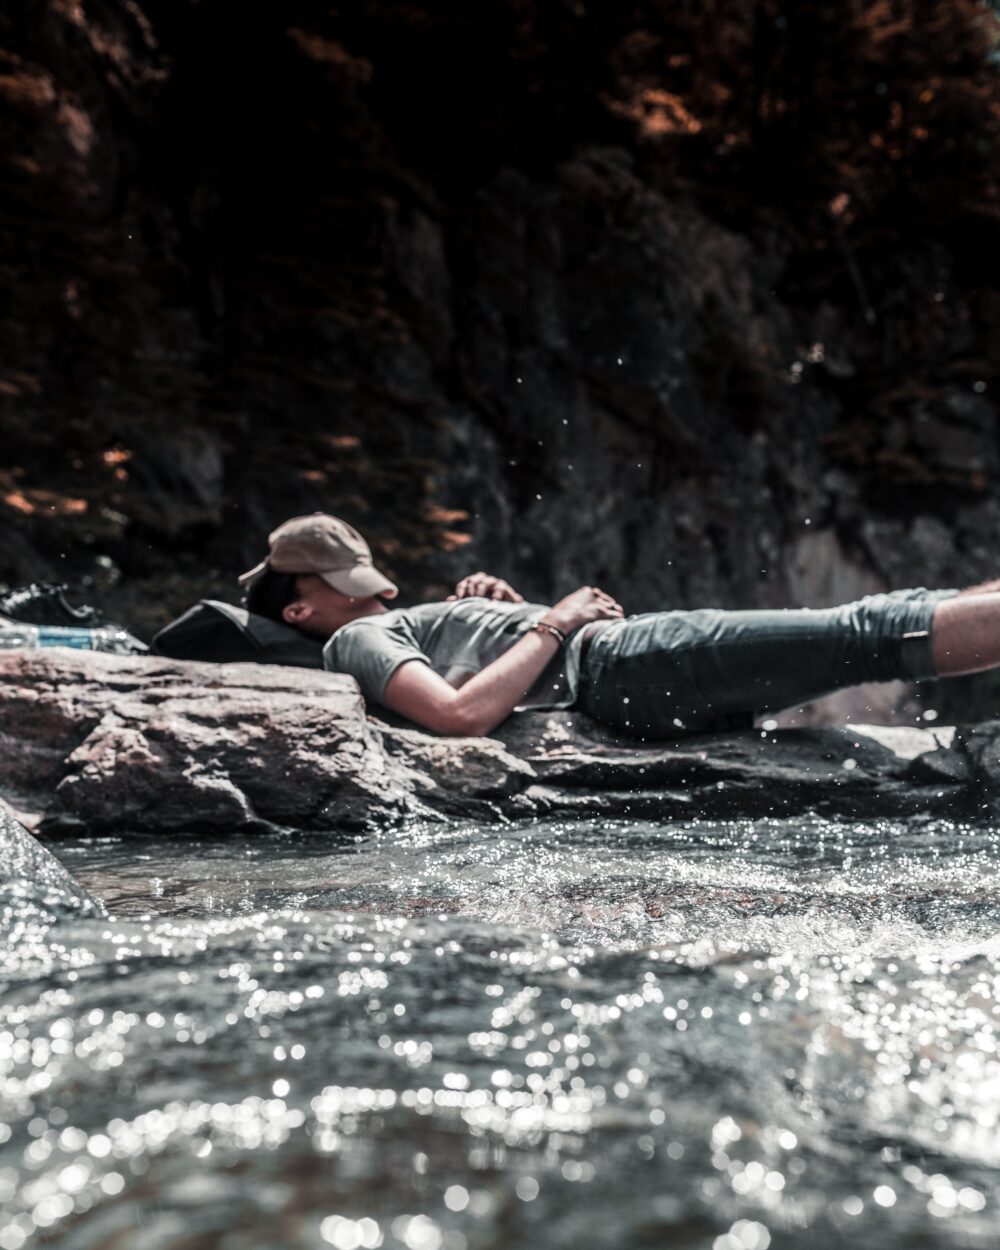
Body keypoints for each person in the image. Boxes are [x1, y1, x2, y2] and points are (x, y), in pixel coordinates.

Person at [240, 512, 1000, 739]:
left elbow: (481, 680)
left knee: (882, 621)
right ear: (302, 610)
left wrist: (498, 617)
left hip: (624, 666)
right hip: (624, 663)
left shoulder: (391, 624)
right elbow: (458, 715)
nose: (371, 598)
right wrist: (554, 623)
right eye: (346, 587)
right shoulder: (351, 640)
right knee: (868, 631)